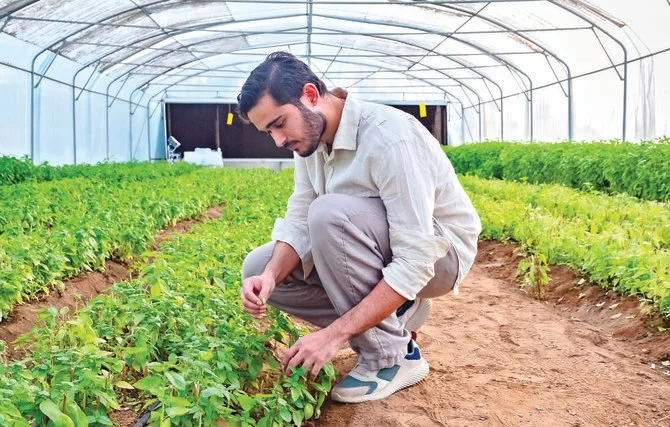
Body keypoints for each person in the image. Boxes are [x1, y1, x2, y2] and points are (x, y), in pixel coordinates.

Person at [237, 51, 481, 403]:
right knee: (259, 267)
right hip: (384, 251)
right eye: (268, 132)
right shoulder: (310, 142)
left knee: (329, 214)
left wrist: (332, 336)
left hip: (440, 258)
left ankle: (392, 358)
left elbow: (417, 258)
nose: (277, 140)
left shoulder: (388, 137)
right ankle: (395, 313)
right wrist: (272, 275)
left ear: (309, 95)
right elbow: (299, 216)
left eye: (278, 124)